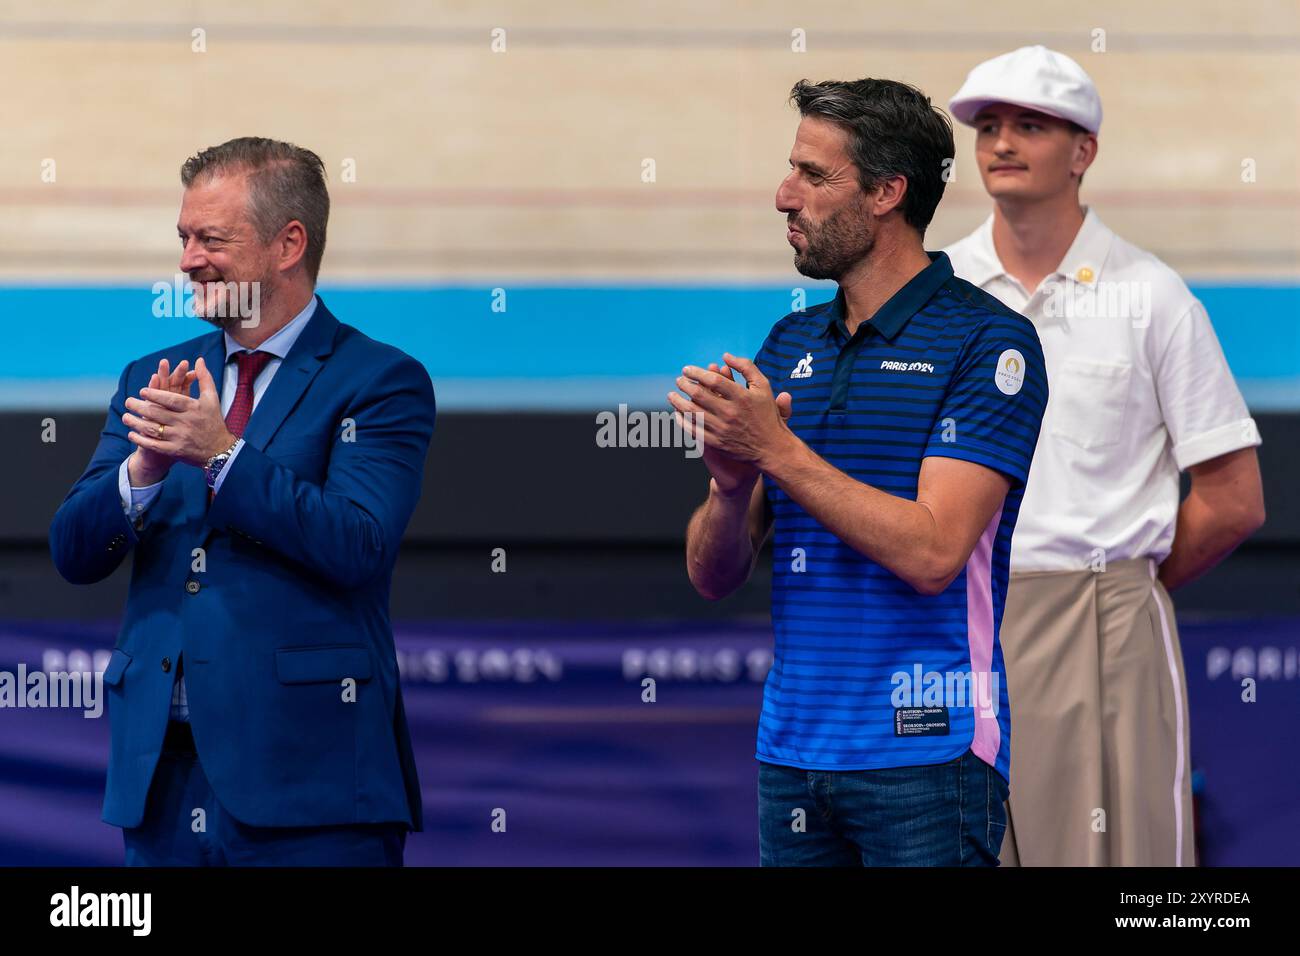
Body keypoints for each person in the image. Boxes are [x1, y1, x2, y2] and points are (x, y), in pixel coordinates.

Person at [671, 78, 1048, 866]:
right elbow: (712, 577)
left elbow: (934, 553)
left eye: (814, 175)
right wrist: (730, 485)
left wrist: (774, 451)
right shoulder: (787, 344)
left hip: (930, 754)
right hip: (792, 754)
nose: (784, 195)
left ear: (886, 193)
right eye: (792, 171)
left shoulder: (990, 344)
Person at [49, 137, 435, 866]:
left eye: (211, 239)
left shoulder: (381, 381)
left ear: (288, 244)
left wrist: (221, 455)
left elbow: (357, 544)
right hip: (160, 781)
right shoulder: (152, 375)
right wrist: (145, 467)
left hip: (309, 787)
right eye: (184, 238)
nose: (189, 260)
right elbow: (73, 551)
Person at [944, 45, 1266, 866]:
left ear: (1084, 151)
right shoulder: (937, 290)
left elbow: (1233, 499)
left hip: (1104, 620)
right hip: (957, 625)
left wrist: (1120, 587)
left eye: (1030, 124)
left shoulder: (1152, 296)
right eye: (988, 125)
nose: (1001, 143)